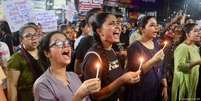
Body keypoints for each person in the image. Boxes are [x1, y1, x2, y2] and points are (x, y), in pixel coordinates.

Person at [82, 12, 141, 101]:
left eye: (118, 23)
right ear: (99, 31)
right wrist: (122, 80)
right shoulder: (93, 57)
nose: (118, 26)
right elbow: (96, 96)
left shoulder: (112, 50)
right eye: (112, 23)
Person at [34, 31, 101, 101]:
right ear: (47, 53)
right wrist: (79, 96)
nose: (66, 45)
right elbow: (80, 96)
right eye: (58, 43)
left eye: (67, 42)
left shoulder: (74, 76)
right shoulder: (42, 85)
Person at [126, 15, 168, 101]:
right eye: (152, 25)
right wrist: (153, 60)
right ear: (142, 29)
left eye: (156, 25)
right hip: (141, 93)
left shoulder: (156, 45)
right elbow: (135, 73)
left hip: (156, 91)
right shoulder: (134, 47)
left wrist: (165, 86)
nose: (156, 28)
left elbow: (161, 68)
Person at [7, 24, 45, 101]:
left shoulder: (44, 54)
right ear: (21, 40)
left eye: (35, 35)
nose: (33, 38)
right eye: (28, 36)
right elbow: (12, 86)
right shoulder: (15, 60)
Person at [172, 23, 201, 101]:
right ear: (187, 34)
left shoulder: (196, 47)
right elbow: (179, 67)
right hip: (183, 87)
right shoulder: (182, 47)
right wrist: (197, 62)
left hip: (192, 84)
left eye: (199, 31)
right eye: (195, 31)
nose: (199, 33)